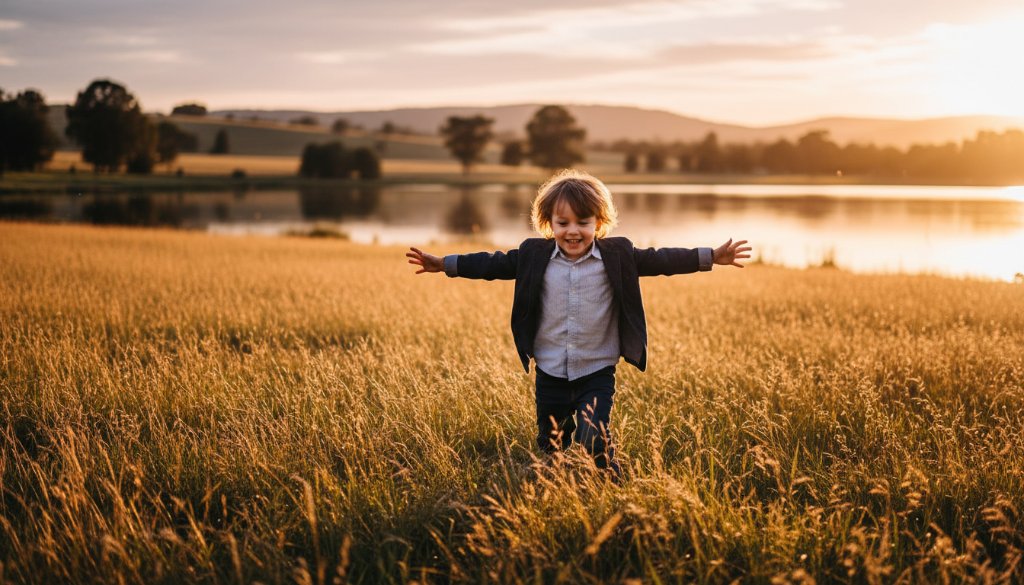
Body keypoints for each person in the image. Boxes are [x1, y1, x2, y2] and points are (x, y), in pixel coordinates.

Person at [406, 170, 750, 479]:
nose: (573, 231)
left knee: (593, 435)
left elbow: (662, 259)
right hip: (551, 370)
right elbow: (491, 264)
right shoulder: (532, 254)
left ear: (599, 224)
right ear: (549, 224)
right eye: (563, 222)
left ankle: (609, 477)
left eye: (583, 222)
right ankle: (556, 479)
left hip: (597, 370)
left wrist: (710, 257)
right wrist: (445, 264)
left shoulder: (618, 255)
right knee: (551, 443)